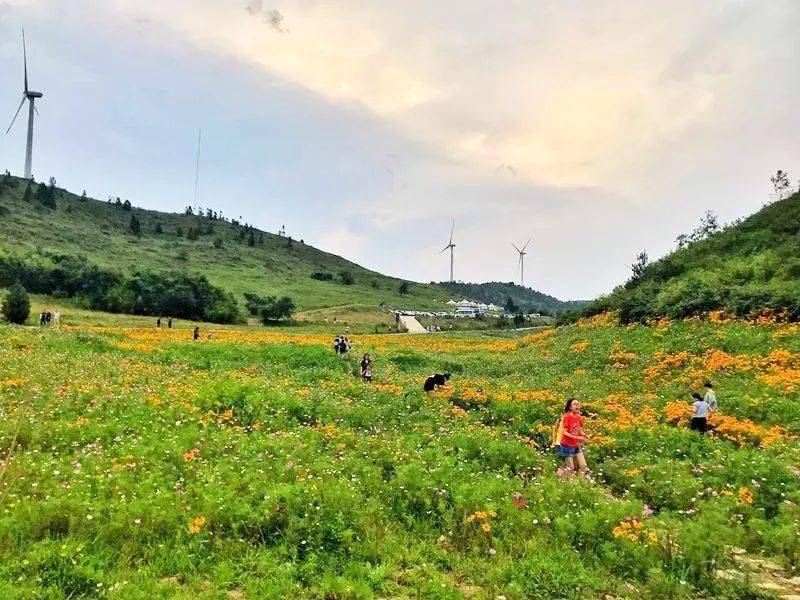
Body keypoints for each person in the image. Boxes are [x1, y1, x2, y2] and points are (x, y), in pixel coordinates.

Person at [554, 398, 589, 478]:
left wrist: (584, 435)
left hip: (576, 444)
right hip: (566, 445)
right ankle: (568, 484)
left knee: (583, 466)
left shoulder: (579, 417)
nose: (577, 406)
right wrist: (577, 438)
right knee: (571, 469)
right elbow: (564, 432)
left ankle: (580, 483)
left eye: (578, 404)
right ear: (570, 407)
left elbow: (579, 430)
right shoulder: (567, 417)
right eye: (575, 404)